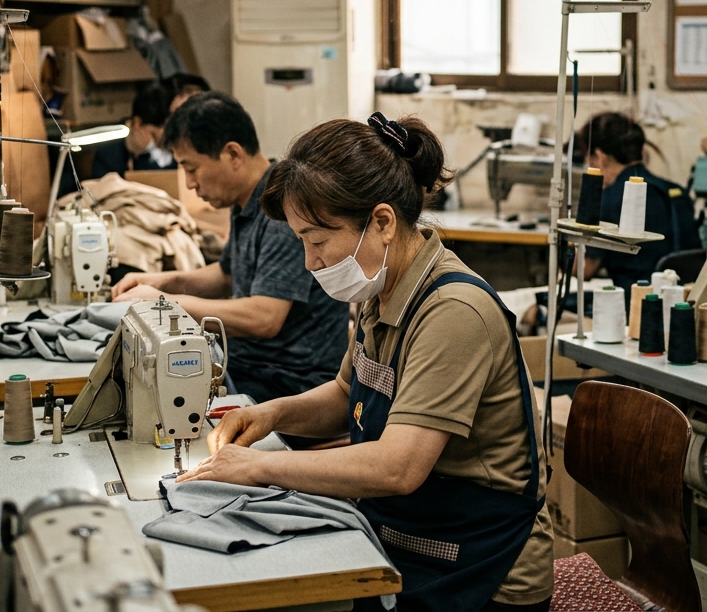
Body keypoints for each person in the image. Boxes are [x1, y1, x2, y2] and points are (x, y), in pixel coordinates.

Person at [176, 113, 553, 612]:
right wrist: (270, 414)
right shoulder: (385, 289)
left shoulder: (453, 311)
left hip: (480, 567)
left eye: (317, 241)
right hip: (409, 533)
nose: (310, 262)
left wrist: (260, 466)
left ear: (382, 223)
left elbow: (398, 467)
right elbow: (343, 394)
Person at [111, 93, 349, 403]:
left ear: (233, 154)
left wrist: (165, 303)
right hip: (249, 367)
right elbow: (226, 275)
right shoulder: (246, 201)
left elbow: (265, 317)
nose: (190, 183)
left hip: (288, 383)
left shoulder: (282, 209)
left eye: (192, 168)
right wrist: (161, 281)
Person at [577, 111, 700, 292]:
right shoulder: (676, 192)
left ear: (599, 156)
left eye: (589, 159)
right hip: (682, 296)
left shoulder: (608, 198)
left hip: (635, 298)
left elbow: (586, 269)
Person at [90, 84, 178, 179]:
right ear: (137, 123)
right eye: (153, 134)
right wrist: (143, 156)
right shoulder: (109, 154)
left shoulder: (174, 146)